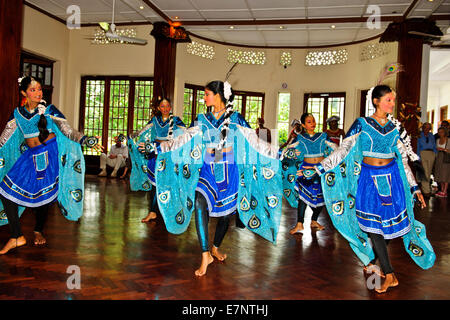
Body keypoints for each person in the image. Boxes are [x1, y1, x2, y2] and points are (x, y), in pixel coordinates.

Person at [148, 80, 282, 277]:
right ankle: (204, 255)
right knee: (199, 201)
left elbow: (255, 142)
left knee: (226, 214)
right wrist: (157, 148)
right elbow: (181, 139)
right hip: (207, 169)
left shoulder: (236, 118)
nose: (204, 98)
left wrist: (278, 154)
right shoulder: (201, 119)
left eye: (207, 94)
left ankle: (215, 247)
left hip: (230, 170)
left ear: (218, 95)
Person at [315, 85, 434, 294]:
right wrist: (319, 167)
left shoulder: (394, 128)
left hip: (392, 180)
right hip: (369, 181)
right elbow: (343, 150)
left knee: (384, 228)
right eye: (388, 99)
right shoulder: (361, 124)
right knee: (373, 228)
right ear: (376, 101)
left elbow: (403, 161)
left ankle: (381, 266)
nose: (392, 103)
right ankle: (387, 272)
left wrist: (415, 188)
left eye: (393, 100)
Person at [0, 76, 102, 254]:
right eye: (33, 90)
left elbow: (68, 131)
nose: (38, 92)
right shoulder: (17, 113)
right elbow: (5, 137)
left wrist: (87, 140)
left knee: (42, 198)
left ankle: (38, 230)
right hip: (29, 157)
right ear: (24, 93)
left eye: (39, 89)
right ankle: (17, 236)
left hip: (47, 155)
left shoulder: (48, 110)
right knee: (5, 191)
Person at [128, 97, 185, 223]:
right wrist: (132, 136)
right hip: (155, 152)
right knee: (155, 183)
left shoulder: (176, 120)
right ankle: (153, 212)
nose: (165, 109)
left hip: (168, 154)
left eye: (167, 106)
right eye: (162, 106)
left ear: (170, 107)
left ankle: (169, 211)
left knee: (168, 183)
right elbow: (143, 131)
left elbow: (185, 135)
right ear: (159, 108)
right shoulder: (155, 119)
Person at [282, 113, 337, 234]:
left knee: (321, 197)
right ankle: (299, 224)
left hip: (320, 171)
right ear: (303, 125)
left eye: (313, 121)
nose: (312, 123)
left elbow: (336, 149)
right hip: (306, 170)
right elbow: (287, 150)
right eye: (309, 121)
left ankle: (314, 220)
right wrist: (287, 153)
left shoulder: (323, 136)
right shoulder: (300, 138)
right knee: (303, 197)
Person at [417, 122, 437, 196]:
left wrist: (435, 155)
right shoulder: (419, 135)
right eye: (425, 127)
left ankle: (426, 188)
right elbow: (418, 147)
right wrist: (418, 157)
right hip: (423, 153)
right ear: (423, 128)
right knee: (425, 172)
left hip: (431, 153)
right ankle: (426, 191)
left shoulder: (431, 135)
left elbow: (434, 145)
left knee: (429, 172)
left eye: (429, 128)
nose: (427, 129)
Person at [434, 126, 450, 197]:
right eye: (439, 132)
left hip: (446, 158)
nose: (440, 134)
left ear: (445, 132)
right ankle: (442, 189)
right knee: (439, 174)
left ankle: (445, 191)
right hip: (439, 157)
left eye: (442, 132)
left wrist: (443, 149)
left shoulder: (448, 140)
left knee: (445, 175)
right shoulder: (437, 140)